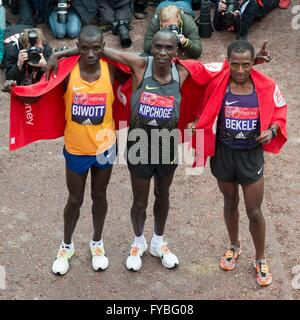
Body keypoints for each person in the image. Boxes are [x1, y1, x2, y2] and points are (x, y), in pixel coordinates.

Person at [192, 40, 287, 286]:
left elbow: (279, 112)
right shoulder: (218, 83)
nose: (241, 70)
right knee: (229, 201)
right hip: (223, 152)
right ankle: (234, 245)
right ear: (228, 63)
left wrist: (273, 130)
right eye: (236, 64)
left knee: (254, 211)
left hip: (250, 155)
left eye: (247, 64)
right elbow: (197, 74)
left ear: (253, 63)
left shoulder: (265, 86)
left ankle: (260, 259)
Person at [213, 0, 281, 40]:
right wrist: (218, 11)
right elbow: (217, 27)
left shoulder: (251, 5)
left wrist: (237, 18)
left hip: (261, 8)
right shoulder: (223, 1)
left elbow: (241, 33)